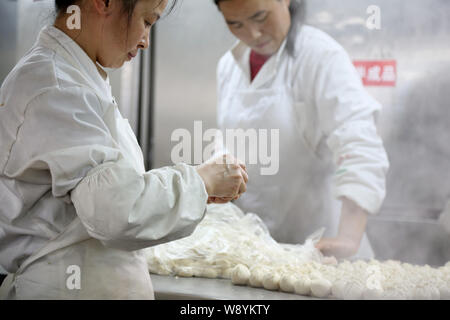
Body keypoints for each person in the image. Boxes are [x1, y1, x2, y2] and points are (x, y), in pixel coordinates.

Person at [0, 0, 247, 299]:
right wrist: (200, 180)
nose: (145, 41)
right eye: (147, 21)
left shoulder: (76, 78)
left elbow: (109, 189)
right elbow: (116, 212)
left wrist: (200, 190)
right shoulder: (56, 86)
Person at [213, 0, 389, 259]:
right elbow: (231, 144)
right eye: (235, 24)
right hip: (259, 253)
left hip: (324, 251)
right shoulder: (229, 66)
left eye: (260, 17)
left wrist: (349, 236)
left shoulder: (321, 57)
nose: (253, 34)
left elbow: (359, 143)